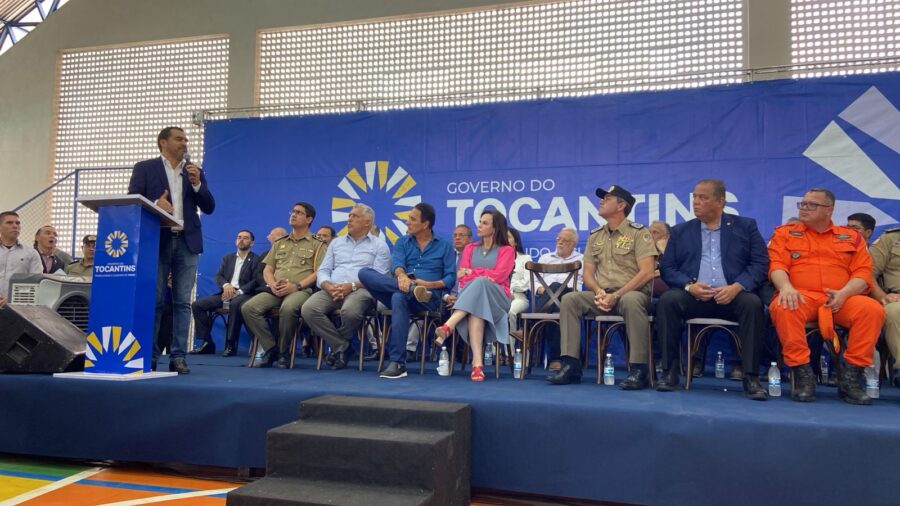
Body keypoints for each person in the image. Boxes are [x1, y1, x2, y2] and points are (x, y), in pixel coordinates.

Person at [654, 179, 770, 400]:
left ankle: (751, 377)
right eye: (694, 197)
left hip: (732, 295)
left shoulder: (745, 226)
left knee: (753, 304)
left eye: (703, 198)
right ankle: (669, 373)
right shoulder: (681, 231)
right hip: (694, 296)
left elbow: (760, 264)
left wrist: (737, 287)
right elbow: (667, 268)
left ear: (720, 202)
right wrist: (689, 286)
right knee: (668, 301)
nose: (696, 202)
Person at [768, 188, 884, 404]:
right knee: (784, 306)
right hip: (801, 296)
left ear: (829, 210)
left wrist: (844, 293)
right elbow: (777, 265)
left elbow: (862, 273)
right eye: (802, 204)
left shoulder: (851, 237)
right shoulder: (785, 233)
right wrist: (785, 287)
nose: (804, 208)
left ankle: (851, 378)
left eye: (811, 205)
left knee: (872, 310)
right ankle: (803, 375)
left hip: (842, 298)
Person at [547, 185, 656, 388]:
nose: (601, 201)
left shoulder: (639, 233)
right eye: (602, 198)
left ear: (621, 205)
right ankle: (571, 365)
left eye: (607, 198)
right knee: (570, 299)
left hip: (632, 293)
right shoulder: (595, 235)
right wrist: (599, 292)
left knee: (631, 301)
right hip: (602, 295)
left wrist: (617, 295)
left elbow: (647, 272)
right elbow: (588, 272)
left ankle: (639, 369)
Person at [128, 126, 216, 374]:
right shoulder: (145, 168)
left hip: (187, 243)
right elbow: (132, 202)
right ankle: (151, 355)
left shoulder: (194, 172)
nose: (184, 143)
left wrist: (198, 184)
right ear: (162, 143)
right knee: (155, 301)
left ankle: (178, 356)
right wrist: (156, 204)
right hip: (157, 240)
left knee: (182, 303)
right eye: (179, 139)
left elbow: (209, 206)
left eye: (186, 139)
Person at [358, 203, 456, 379]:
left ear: (425, 224)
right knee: (364, 273)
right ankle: (412, 289)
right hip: (403, 287)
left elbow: (450, 278)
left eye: (412, 219)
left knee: (398, 298)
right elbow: (397, 265)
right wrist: (403, 278)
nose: (407, 222)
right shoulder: (402, 241)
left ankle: (397, 363)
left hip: (429, 297)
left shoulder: (445, 245)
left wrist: (429, 284)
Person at [302, 204, 391, 370]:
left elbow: (378, 277)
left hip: (363, 290)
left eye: (355, 216)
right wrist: (327, 286)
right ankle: (342, 346)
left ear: (367, 222)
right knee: (308, 309)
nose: (349, 219)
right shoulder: (336, 244)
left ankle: (339, 348)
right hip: (333, 289)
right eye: (349, 215)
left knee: (349, 311)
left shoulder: (380, 246)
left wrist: (351, 286)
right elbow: (323, 270)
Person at [434, 209, 515, 382]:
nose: (479, 225)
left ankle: (450, 324)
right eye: (479, 221)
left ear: (495, 228)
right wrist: (484, 274)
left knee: (480, 283)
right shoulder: (470, 248)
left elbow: (499, 276)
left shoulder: (506, 250)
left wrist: (474, 272)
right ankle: (477, 364)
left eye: (485, 223)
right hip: (475, 299)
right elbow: (461, 276)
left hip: (499, 298)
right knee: (477, 307)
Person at [242, 203, 325, 368]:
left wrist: (297, 286)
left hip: (300, 290)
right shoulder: (280, 242)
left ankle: (284, 351)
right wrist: (272, 284)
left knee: (288, 309)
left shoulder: (317, 244)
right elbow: (268, 269)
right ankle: (271, 348)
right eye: (293, 211)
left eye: (299, 213)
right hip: (275, 289)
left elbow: (319, 272)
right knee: (248, 308)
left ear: (309, 219)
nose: (293, 215)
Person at [190, 230, 261, 357]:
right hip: (226, 293)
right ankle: (207, 342)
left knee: (235, 304)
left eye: (245, 238)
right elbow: (219, 276)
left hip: (245, 294)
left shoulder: (257, 259)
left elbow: (256, 281)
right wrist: (226, 285)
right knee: (197, 305)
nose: (241, 240)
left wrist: (238, 291)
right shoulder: (227, 258)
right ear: (235, 241)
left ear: (252, 242)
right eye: (239, 237)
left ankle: (230, 344)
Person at [535, 227, 584, 370]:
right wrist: (546, 291)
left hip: (571, 297)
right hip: (548, 299)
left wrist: (553, 290)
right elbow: (535, 283)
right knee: (556, 307)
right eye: (558, 239)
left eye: (565, 240)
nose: (560, 243)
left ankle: (532, 327)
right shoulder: (545, 258)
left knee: (557, 288)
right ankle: (555, 359)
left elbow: (581, 283)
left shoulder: (581, 260)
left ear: (574, 244)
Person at [866, 227, 900, 386]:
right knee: (895, 312)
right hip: (896, 298)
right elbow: (867, 273)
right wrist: (882, 297)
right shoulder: (890, 239)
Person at [0, 211, 42, 307]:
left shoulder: (31, 253)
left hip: (19, 308)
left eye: (17, 223)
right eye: (9, 223)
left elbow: (36, 283)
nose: (15, 226)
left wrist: (11, 299)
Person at [507, 227, 531, 341]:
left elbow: (526, 283)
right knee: (491, 311)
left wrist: (510, 287)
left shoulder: (525, 258)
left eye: (508, 237)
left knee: (511, 311)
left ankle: (509, 354)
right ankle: (493, 352)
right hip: (500, 295)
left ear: (515, 241)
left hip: (519, 297)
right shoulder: (496, 260)